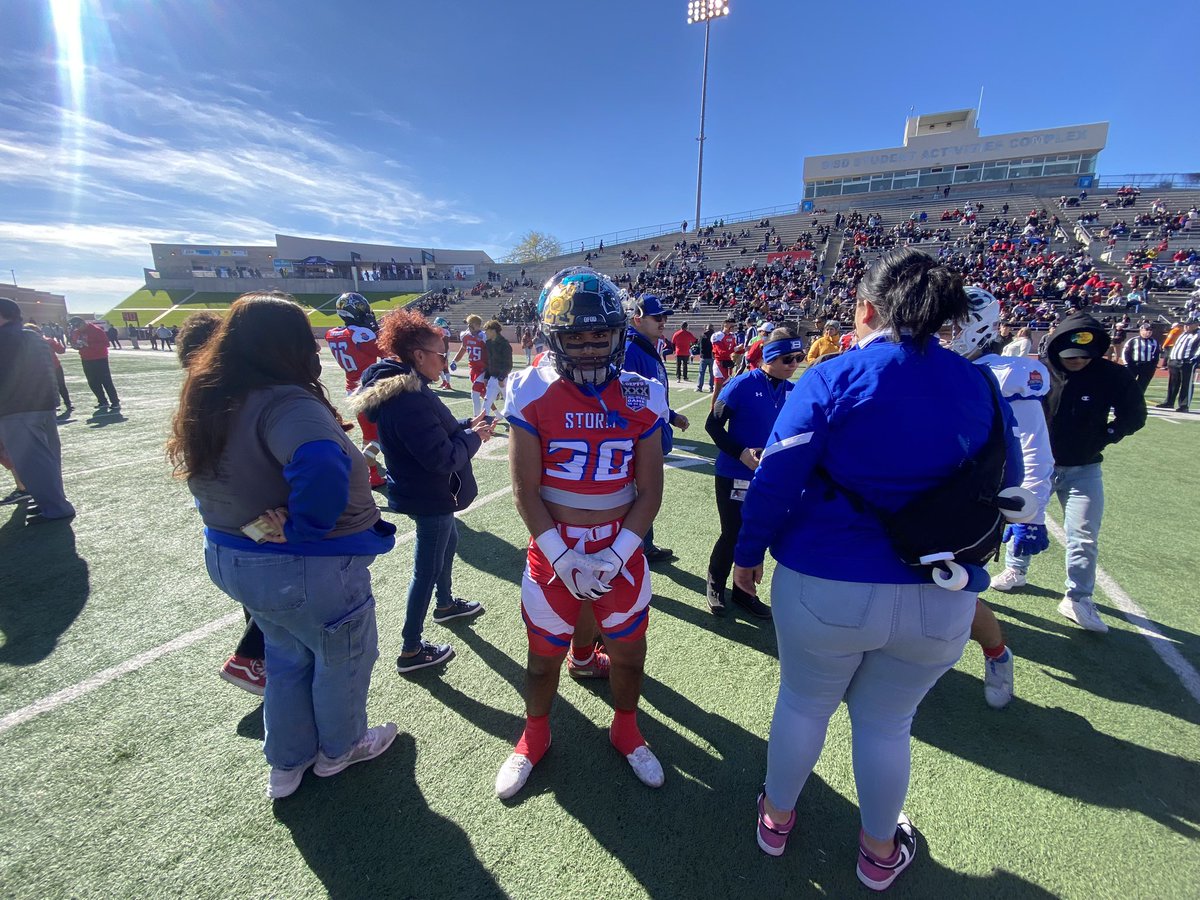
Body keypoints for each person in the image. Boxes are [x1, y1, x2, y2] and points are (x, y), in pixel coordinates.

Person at [733, 249, 1024, 890]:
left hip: (826, 580)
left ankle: (775, 821)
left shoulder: (833, 375)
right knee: (888, 725)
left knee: (803, 705)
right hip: (940, 589)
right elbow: (1011, 485)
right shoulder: (981, 385)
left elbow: (776, 479)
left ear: (866, 308)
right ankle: (877, 850)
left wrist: (747, 555)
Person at [167, 291, 398, 799]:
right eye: (304, 341)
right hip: (300, 564)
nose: (314, 351)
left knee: (287, 656)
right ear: (282, 345)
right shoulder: (284, 401)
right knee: (343, 657)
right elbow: (320, 462)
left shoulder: (212, 393)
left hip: (234, 557)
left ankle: (287, 764)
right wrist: (303, 526)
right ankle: (341, 750)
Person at [495, 267, 667, 800]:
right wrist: (561, 555)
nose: (590, 347)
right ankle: (534, 735)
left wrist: (614, 556)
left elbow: (650, 492)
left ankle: (626, 729)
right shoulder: (532, 389)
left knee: (629, 654)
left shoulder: (642, 393)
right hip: (554, 550)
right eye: (576, 337)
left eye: (600, 335)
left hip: (621, 549)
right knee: (543, 659)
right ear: (554, 339)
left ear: (619, 334)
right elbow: (525, 491)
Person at [352, 310, 491, 673]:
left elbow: (435, 428)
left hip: (424, 490)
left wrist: (468, 424)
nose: (445, 362)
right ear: (418, 355)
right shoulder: (409, 397)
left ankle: (445, 604)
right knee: (425, 570)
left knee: (449, 541)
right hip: (429, 493)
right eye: (441, 355)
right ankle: (411, 649)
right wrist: (474, 438)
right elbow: (441, 457)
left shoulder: (405, 386)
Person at [944, 289, 1054, 709]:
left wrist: (1032, 512)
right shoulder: (939, 366)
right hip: (928, 495)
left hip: (974, 501)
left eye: (951, 325)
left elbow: (1034, 448)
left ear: (976, 326)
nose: (943, 333)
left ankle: (996, 654)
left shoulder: (1007, 374)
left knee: (956, 592)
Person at [1038, 311, 1146, 632]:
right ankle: (1016, 569)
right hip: (1040, 466)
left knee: (1083, 535)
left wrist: (1106, 435)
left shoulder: (1112, 375)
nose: (1077, 361)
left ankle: (1078, 598)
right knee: (1023, 522)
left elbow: (1134, 415)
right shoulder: (1039, 371)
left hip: (1084, 469)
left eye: (1085, 355)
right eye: (1071, 355)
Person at [704, 327, 801, 619]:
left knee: (758, 533)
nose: (794, 364)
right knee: (733, 532)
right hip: (734, 473)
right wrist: (742, 453)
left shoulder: (793, 391)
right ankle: (715, 584)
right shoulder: (741, 384)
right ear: (769, 357)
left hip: (769, 478)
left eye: (798, 358)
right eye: (787, 359)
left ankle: (744, 592)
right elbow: (712, 425)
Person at [623, 294, 687, 564]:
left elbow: (651, 395)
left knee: (645, 493)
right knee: (640, 495)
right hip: (640, 438)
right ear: (637, 319)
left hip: (652, 433)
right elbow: (630, 401)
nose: (663, 321)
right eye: (656, 317)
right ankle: (635, 550)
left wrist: (671, 416)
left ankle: (644, 546)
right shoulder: (631, 350)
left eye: (664, 317)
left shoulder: (644, 346)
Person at [0, 298, 75, 523]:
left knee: (33, 461)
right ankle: (52, 502)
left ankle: (55, 506)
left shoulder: (6, 339)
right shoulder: (31, 336)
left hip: (17, 408)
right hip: (42, 405)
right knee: (47, 458)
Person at [324, 293, 386, 489]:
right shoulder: (361, 334)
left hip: (351, 389)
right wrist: (376, 330)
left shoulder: (332, 334)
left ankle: (371, 472)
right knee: (382, 435)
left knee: (368, 433)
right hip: (369, 389)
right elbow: (385, 351)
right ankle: (365, 469)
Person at [68, 316, 120, 413]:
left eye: (78, 326)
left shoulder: (96, 330)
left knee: (106, 381)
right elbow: (75, 343)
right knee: (92, 382)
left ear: (83, 323)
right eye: (76, 327)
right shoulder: (76, 332)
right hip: (86, 359)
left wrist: (89, 345)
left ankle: (115, 401)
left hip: (100, 358)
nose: (78, 328)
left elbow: (106, 344)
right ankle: (102, 401)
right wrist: (76, 346)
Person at [452, 314, 489, 417]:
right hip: (473, 369)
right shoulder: (466, 336)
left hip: (483, 369)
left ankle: (477, 417)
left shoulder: (484, 336)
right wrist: (454, 361)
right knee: (483, 394)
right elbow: (462, 350)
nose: (469, 327)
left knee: (475, 393)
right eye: (469, 324)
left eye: (471, 324)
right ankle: (497, 414)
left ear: (477, 325)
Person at [1158, 321, 1200, 411]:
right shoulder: (1183, 334)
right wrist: (1171, 358)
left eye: (1188, 325)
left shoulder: (1198, 334)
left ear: (1196, 325)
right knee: (1173, 383)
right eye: (1185, 325)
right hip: (1174, 361)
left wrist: (1193, 360)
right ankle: (1169, 402)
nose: (1185, 327)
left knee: (1186, 384)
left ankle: (1184, 405)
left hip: (1186, 362)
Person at [33, 325, 71, 413]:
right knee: (56, 386)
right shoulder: (47, 341)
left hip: (50, 367)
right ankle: (64, 404)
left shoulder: (48, 341)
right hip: (47, 368)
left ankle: (65, 404)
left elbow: (61, 350)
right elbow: (61, 350)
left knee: (57, 386)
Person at [481, 319, 514, 418]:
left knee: (510, 403)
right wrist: (486, 376)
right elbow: (489, 361)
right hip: (493, 378)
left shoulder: (505, 344)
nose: (485, 333)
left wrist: (501, 378)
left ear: (493, 331)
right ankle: (484, 423)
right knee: (486, 402)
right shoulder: (488, 343)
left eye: (487, 330)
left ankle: (515, 424)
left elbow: (508, 364)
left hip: (503, 379)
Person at [1122, 323, 1160, 395]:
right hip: (1133, 365)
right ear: (1141, 330)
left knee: (1142, 386)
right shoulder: (1133, 340)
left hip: (1147, 366)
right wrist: (1127, 364)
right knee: (1128, 383)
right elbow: (1126, 353)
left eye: (1150, 330)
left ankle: (1137, 399)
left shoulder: (1154, 342)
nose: (1149, 332)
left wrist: (1153, 366)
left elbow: (1156, 354)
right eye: (1146, 330)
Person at [710, 316, 739, 409]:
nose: (733, 328)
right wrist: (735, 349)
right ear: (725, 325)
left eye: (734, 326)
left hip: (728, 364)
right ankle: (712, 409)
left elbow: (734, 348)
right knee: (718, 388)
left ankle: (723, 407)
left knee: (727, 387)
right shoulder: (717, 336)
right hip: (719, 364)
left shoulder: (732, 336)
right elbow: (721, 352)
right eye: (731, 326)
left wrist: (743, 349)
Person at [695, 323, 715, 392]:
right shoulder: (714, 336)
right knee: (712, 373)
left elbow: (699, 344)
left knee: (701, 373)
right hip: (712, 356)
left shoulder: (703, 335)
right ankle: (711, 387)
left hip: (704, 356)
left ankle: (699, 387)